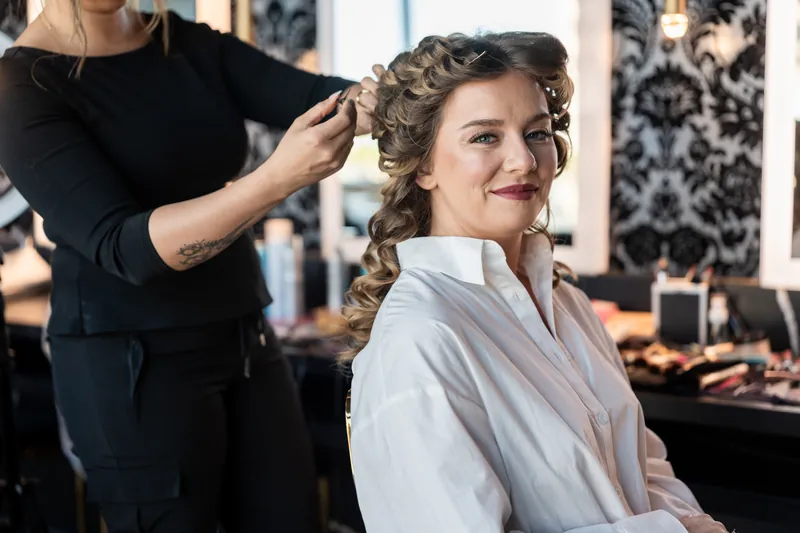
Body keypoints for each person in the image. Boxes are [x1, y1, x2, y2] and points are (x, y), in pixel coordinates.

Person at [0, 1, 382, 532]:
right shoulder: (22, 84)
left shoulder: (185, 43)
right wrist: (278, 178)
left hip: (247, 338)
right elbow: (125, 247)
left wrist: (400, 98)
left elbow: (317, 97)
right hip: (131, 366)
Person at [341, 32, 728, 533]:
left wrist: (693, 521)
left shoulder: (569, 303)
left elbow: (643, 467)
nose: (524, 161)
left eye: (537, 133)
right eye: (485, 136)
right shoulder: (419, 339)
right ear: (423, 167)